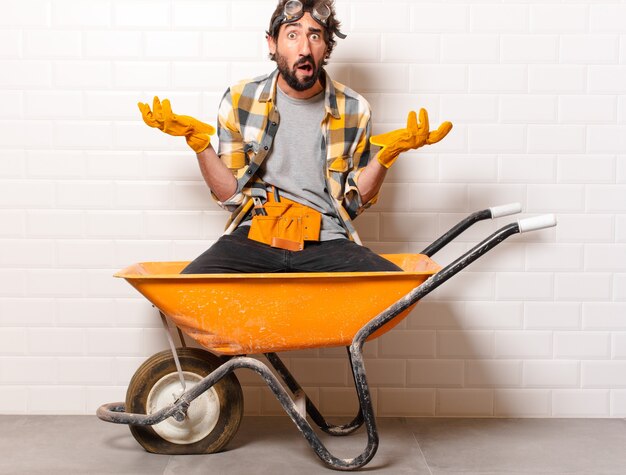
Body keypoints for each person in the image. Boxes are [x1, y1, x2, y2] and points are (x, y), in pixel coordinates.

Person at [138, 0, 452, 274]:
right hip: (255, 237)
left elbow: (352, 203)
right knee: (191, 286)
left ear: (326, 47)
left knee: (393, 286)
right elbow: (231, 195)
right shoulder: (239, 100)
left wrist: (385, 158)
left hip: (326, 240)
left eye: (315, 36)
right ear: (271, 43)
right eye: (292, 34)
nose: (304, 48)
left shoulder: (355, 109)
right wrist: (200, 145)